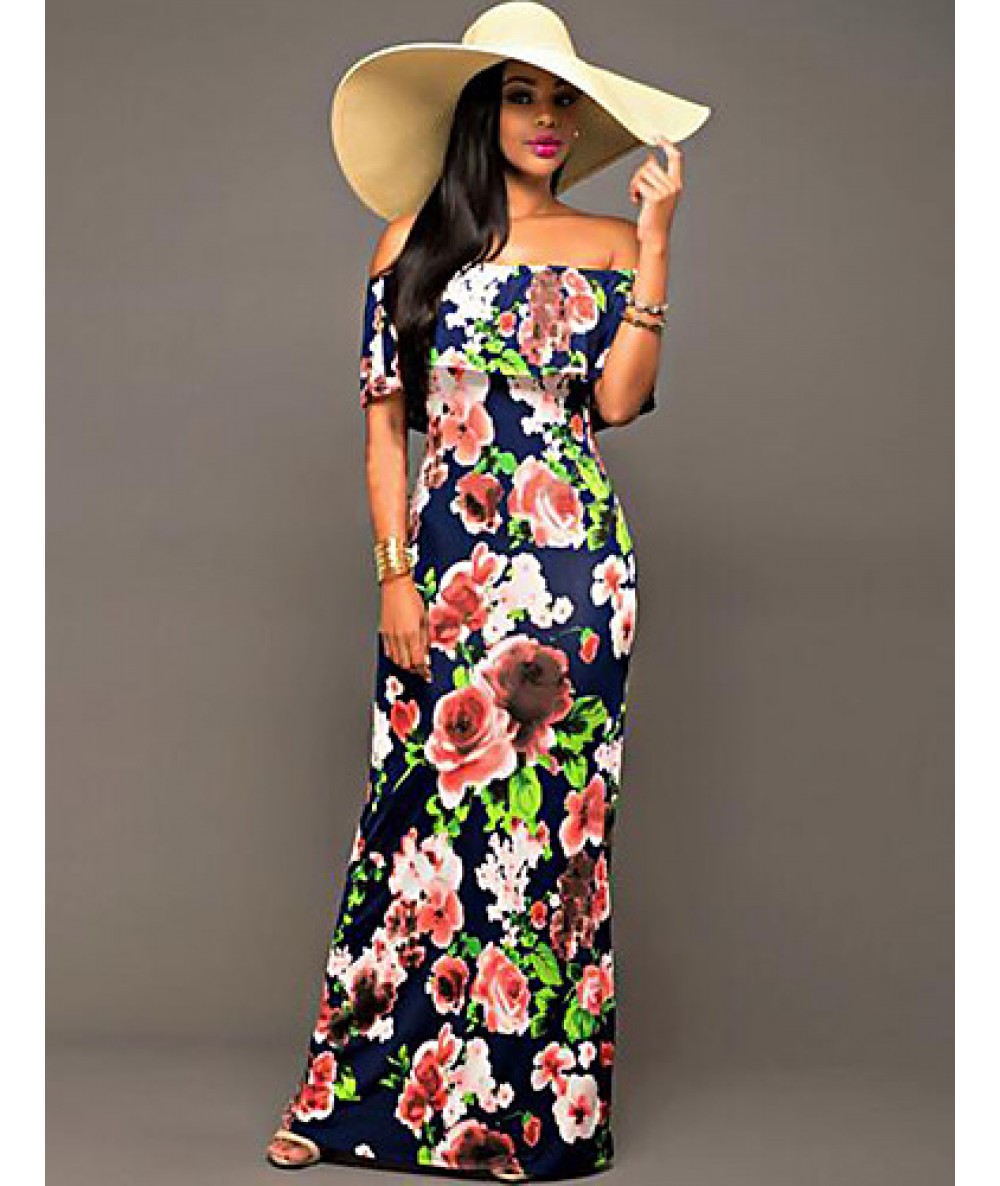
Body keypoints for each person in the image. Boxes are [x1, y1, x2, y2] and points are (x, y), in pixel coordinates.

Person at [265, 2, 711, 1178]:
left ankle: (534, 1120)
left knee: (554, 838)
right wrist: (392, 577)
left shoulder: (609, 242)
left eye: (562, 100)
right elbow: (384, 433)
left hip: (576, 574)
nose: (546, 118)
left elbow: (615, 404)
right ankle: (347, 1104)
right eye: (522, 95)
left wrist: (658, 241)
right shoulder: (408, 244)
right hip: (448, 574)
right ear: (480, 111)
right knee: (415, 824)